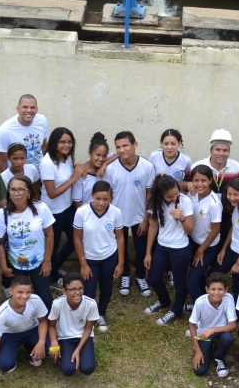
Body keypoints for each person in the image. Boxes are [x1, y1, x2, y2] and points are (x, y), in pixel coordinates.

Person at [105, 131, 156, 298]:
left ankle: (140, 276)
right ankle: (125, 274)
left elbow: (149, 194)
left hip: (139, 217)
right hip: (118, 217)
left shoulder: (147, 166)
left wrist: (145, 218)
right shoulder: (111, 168)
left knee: (141, 249)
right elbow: (108, 195)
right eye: (118, 147)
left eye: (125, 145)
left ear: (135, 145)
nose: (121, 150)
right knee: (122, 248)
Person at [0, 175, 55, 307]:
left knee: (44, 298)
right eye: (13, 189)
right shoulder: (2, 213)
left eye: (21, 189)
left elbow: (50, 235)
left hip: (38, 262)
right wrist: (4, 267)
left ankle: (48, 324)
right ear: (8, 193)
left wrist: (47, 261)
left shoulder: (41, 208)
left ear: (28, 192)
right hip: (16, 264)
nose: (16, 193)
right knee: (18, 299)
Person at [72, 180, 124, 332]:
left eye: (105, 199)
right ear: (92, 196)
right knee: (88, 290)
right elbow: (77, 238)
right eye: (98, 198)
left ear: (111, 198)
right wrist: (83, 264)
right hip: (89, 258)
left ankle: (101, 313)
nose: (101, 202)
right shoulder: (82, 212)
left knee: (107, 286)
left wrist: (120, 263)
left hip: (109, 255)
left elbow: (120, 238)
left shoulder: (116, 212)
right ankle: (88, 317)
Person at [0, 275, 49, 388]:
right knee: (5, 365)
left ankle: (32, 353)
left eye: (28, 292)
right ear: (11, 291)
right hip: (10, 336)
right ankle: (12, 353)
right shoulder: (2, 313)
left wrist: (41, 342)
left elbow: (43, 321)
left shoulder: (35, 300)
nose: (24, 296)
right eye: (20, 292)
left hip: (32, 331)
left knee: (49, 348)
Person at [143, 175, 194, 325]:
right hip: (161, 247)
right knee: (153, 278)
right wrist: (148, 252)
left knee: (179, 282)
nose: (173, 198)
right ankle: (164, 301)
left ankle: (176, 310)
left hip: (180, 249)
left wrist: (182, 218)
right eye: (169, 196)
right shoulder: (155, 202)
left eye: (176, 194)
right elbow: (153, 226)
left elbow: (190, 231)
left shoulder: (185, 201)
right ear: (160, 195)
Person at [40, 127, 83, 286]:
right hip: (52, 212)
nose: (67, 145)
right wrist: (74, 178)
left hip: (68, 207)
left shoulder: (66, 158)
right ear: (54, 143)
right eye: (62, 142)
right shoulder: (47, 162)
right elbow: (51, 193)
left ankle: (55, 266)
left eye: (69, 142)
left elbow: (72, 175)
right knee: (53, 245)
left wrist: (78, 171)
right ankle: (50, 277)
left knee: (75, 239)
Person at [46, 271, 99, 376]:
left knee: (88, 368)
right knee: (68, 370)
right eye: (72, 289)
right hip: (65, 338)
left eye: (80, 288)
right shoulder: (57, 304)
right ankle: (66, 355)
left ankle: (80, 353)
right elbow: (52, 326)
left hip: (83, 336)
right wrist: (54, 342)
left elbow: (88, 329)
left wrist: (78, 350)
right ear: (64, 291)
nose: (77, 292)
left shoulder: (91, 303)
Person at [185, 165, 223, 308]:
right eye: (196, 180)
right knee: (198, 278)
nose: (199, 184)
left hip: (208, 246)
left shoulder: (214, 203)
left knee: (192, 281)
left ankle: (201, 310)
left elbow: (215, 230)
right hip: (194, 241)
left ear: (210, 181)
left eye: (203, 181)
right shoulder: (192, 195)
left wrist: (201, 250)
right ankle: (202, 300)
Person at [189, 272, 238, 378]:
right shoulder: (200, 302)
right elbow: (192, 324)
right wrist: (197, 350)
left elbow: (233, 325)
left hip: (220, 331)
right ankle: (207, 347)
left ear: (226, 290)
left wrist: (213, 330)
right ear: (207, 289)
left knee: (228, 338)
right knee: (200, 371)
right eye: (213, 289)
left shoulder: (228, 299)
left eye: (220, 289)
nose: (216, 292)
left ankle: (218, 357)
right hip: (204, 333)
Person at [0, 94, 48, 170]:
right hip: (19, 176)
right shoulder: (5, 130)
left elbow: (44, 146)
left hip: (40, 172)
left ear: (37, 109)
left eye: (32, 107)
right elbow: (0, 161)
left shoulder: (42, 121)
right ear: (18, 109)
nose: (29, 110)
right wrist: (10, 180)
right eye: (25, 107)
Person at [191, 128, 239, 196]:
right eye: (218, 150)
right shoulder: (197, 166)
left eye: (225, 150)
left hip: (229, 205)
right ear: (211, 151)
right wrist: (187, 184)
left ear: (229, 152)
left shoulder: (236, 167)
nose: (221, 153)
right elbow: (185, 183)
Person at [70, 133, 109, 208]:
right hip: (87, 217)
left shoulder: (106, 168)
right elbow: (77, 202)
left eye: (104, 156)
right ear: (90, 153)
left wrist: (105, 163)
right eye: (98, 155)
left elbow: (118, 154)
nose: (101, 159)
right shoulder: (81, 173)